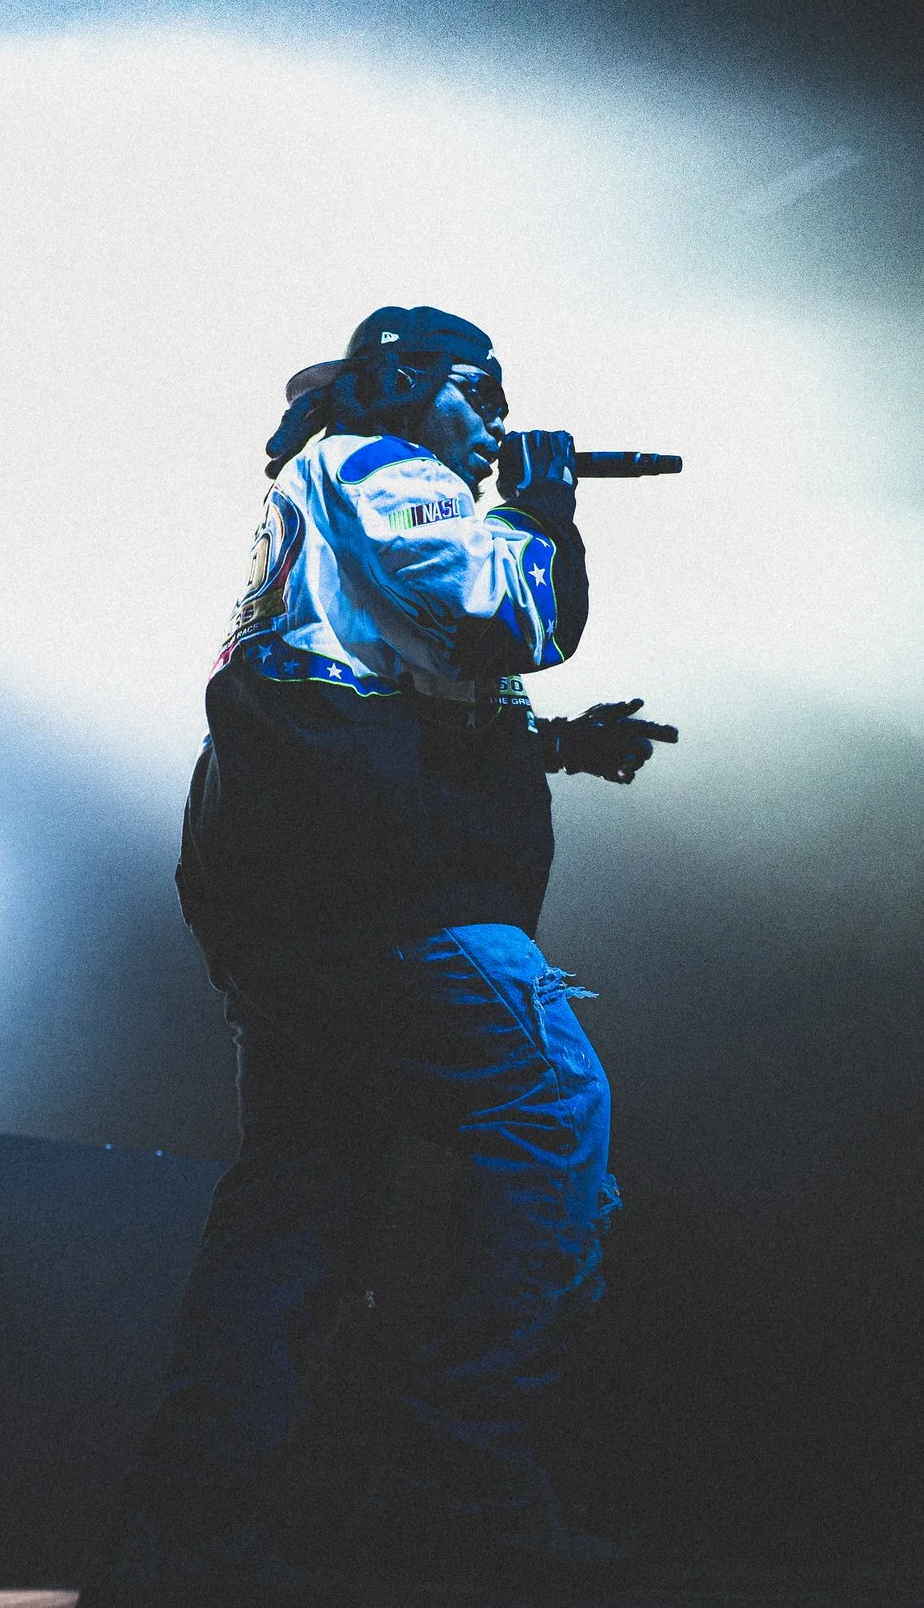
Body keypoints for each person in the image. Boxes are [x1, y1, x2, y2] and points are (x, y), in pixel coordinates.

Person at [84, 306, 675, 1606]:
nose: (495, 425)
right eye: (481, 395)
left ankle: (191, 1529)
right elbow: (504, 612)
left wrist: (564, 743)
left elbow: (382, 680)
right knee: (553, 1110)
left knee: (298, 1210)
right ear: (411, 386)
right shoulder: (386, 468)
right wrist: (548, 504)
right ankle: (462, 1481)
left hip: (293, 916)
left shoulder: (324, 496)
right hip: (390, 898)